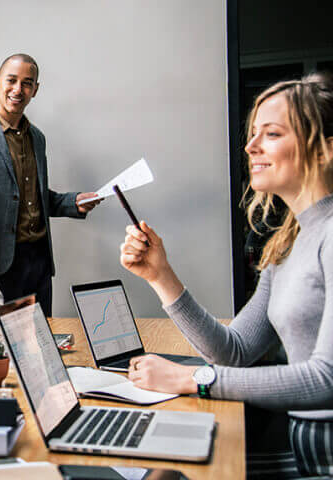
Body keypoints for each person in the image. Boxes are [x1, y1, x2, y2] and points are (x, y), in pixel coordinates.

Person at [120, 73, 333, 477]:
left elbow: (326, 380)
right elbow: (233, 352)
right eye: (253, 134)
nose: (251, 146)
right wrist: (160, 276)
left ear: (324, 151)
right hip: (301, 443)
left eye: (271, 134)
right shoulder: (288, 242)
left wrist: (191, 378)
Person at [0, 53, 101, 315]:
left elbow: (32, 197)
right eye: (11, 80)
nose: (18, 89)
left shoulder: (37, 137)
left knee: (41, 344)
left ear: (35, 90)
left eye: (27, 83)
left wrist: (74, 202)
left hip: (38, 260)